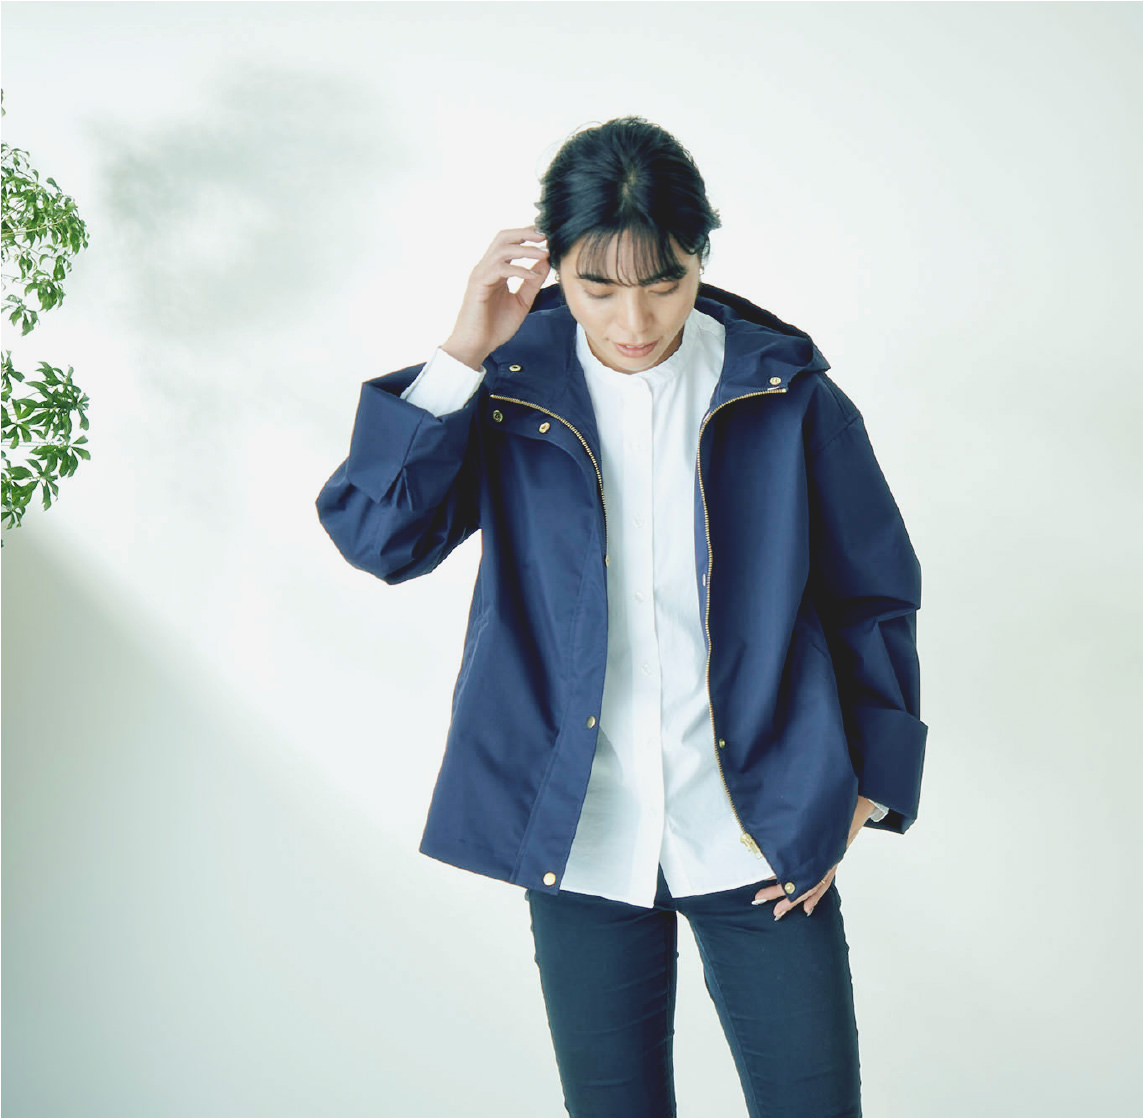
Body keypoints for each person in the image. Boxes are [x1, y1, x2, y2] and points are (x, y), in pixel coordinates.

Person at [314, 116, 927, 1117]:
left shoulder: (786, 392)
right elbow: (379, 539)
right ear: (552, 264)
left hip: (761, 827)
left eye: (664, 283)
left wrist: (870, 784)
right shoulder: (509, 388)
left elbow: (872, 590)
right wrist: (464, 349)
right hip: (582, 829)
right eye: (596, 288)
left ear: (700, 257)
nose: (634, 319)